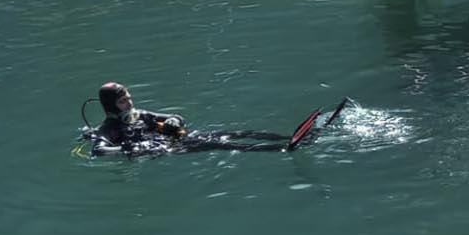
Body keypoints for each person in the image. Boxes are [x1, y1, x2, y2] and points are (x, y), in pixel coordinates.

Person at [85, 83, 332, 156]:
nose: (129, 103)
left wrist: (174, 121)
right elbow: (98, 150)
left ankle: (290, 137)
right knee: (222, 145)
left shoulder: (140, 114)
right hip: (168, 149)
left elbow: (176, 116)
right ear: (111, 106)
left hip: (178, 139)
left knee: (237, 133)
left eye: (129, 98)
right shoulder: (109, 127)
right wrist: (126, 149)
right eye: (123, 101)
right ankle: (283, 148)